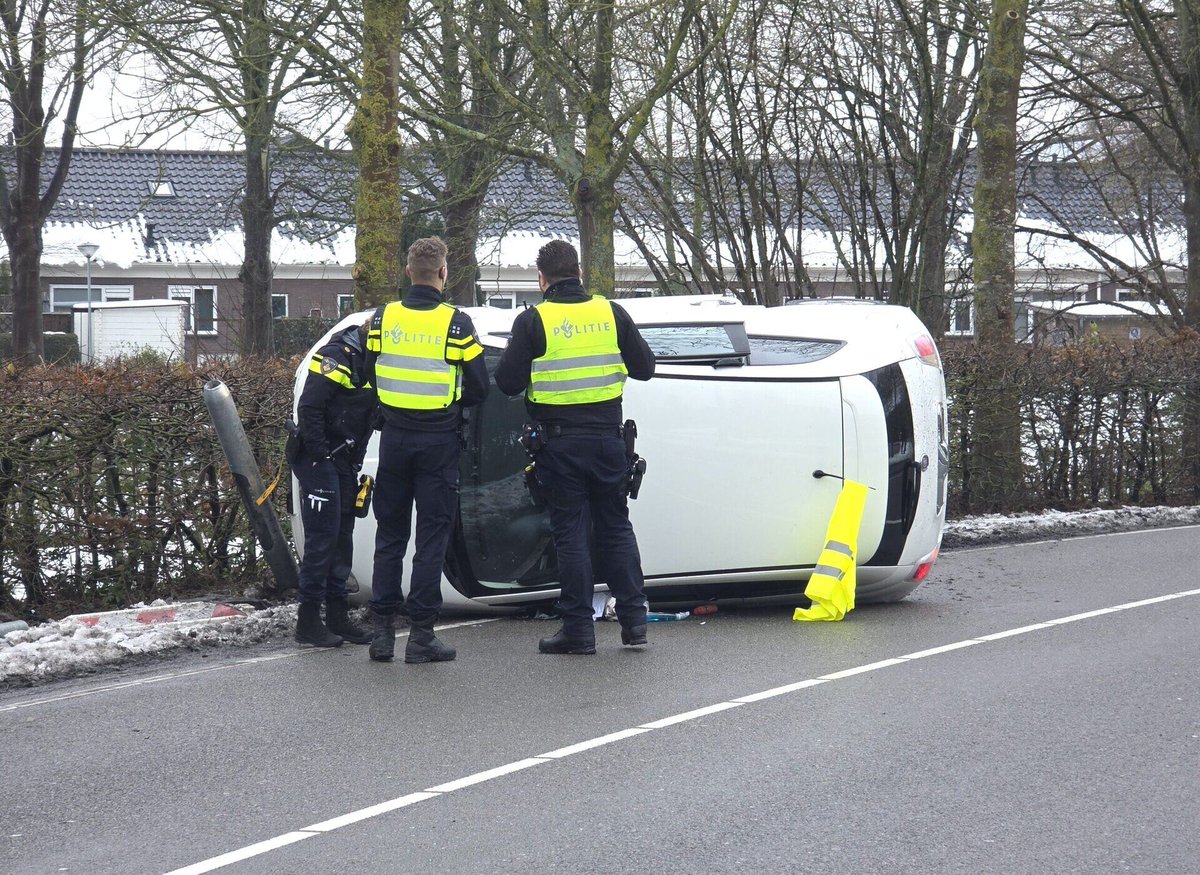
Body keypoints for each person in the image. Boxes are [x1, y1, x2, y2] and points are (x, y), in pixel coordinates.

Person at [495, 240, 656, 654]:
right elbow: (645, 368)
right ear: (579, 272)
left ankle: (579, 632)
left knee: (571, 534)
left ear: (542, 279)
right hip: (607, 440)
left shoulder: (533, 321)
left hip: (559, 443)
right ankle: (635, 623)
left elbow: (508, 383)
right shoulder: (611, 312)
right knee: (616, 526)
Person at [365, 237, 488, 663]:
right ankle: (420, 636)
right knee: (430, 539)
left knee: (390, 536)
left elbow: (368, 372)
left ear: (406, 271)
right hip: (438, 442)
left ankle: (381, 635)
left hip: (394, 439)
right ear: (442, 273)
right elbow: (479, 387)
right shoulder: (456, 324)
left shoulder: (382, 318)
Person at [290, 317, 377, 647]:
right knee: (322, 540)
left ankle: (338, 618)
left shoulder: (373, 359)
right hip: (319, 459)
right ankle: (308, 621)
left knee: (342, 537)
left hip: (344, 459)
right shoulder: (338, 355)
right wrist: (322, 457)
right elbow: (309, 408)